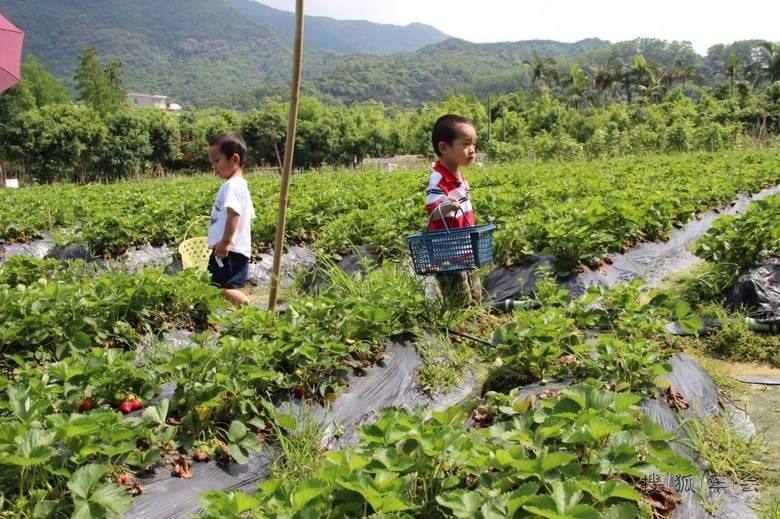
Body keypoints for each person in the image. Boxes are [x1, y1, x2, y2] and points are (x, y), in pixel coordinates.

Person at [425, 114, 482, 306]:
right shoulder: (438, 178)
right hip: (447, 251)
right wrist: (446, 206)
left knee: (475, 295)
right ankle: (460, 330)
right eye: (466, 144)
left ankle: (474, 323)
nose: (472, 150)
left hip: (465, 246)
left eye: (474, 144)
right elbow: (432, 211)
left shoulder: (460, 177)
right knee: (459, 300)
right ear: (444, 148)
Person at [206, 132, 256, 307]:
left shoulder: (232, 186)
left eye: (217, 161)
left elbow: (234, 214)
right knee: (219, 287)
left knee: (221, 288)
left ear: (234, 159)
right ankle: (249, 316)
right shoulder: (240, 185)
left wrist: (225, 242)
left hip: (228, 250)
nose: (214, 166)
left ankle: (254, 315)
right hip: (231, 249)